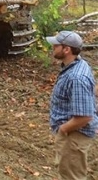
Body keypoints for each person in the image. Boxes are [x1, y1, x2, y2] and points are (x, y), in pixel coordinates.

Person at [46, 30, 98, 179]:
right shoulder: (76, 65)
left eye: (55, 46)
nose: (52, 48)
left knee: (72, 176)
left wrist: (63, 129)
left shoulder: (76, 77)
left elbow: (85, 117)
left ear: (66, 49)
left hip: (74, 135)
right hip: (73, 133)